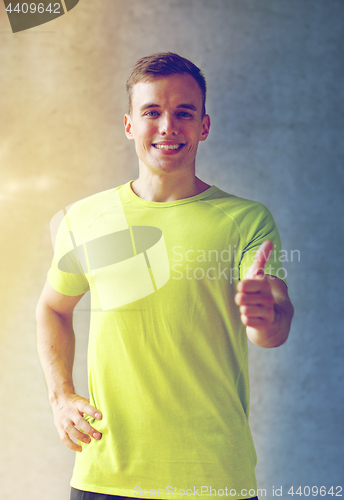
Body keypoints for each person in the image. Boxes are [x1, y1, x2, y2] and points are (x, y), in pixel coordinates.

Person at [36, 52, 294, 500]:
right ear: (129, 124)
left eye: (184, 114)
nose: (168, 127)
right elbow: (53, 308)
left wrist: (264, 314)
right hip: (105, 475)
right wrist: (61, 397)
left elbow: (272, 324)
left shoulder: (245, 220)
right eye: (152, 112)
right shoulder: (86, 219)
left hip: (214, 477)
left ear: (204, 126)